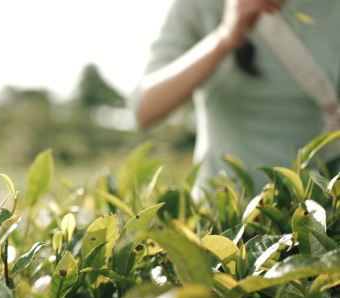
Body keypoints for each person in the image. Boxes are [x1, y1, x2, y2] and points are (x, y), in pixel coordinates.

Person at [131, 0, 340, 193]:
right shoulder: (200, 6)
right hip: (225, 220)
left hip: (320, 220)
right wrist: (224, 37)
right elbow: (144, 108)